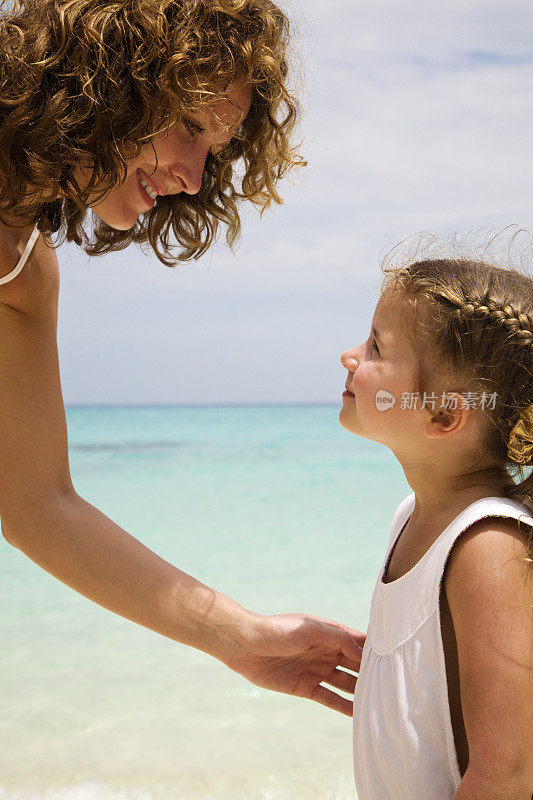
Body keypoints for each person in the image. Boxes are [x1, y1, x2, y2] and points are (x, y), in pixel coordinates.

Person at [0, 0, 365, 720]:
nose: (196, 178)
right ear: (110, 81)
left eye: (216, 149)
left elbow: (39, 505)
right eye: (191, 127)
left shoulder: (25, 277)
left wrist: (239, 636)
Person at [340, 252, 533, 798]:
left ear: (445, 415)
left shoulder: (486, 546)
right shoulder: (412, 515)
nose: (349, 356)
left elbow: (510, 775)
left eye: (377, 347)